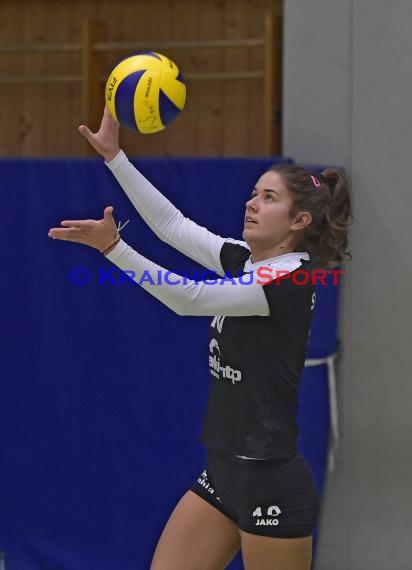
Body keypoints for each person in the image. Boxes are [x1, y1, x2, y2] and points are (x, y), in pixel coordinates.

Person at [48, 108, 352, 570]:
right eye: (254, 193)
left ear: (298, 221)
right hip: (223, 472)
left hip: (271, 481)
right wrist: (115, 158)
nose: (251, 203)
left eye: (268, 198)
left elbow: (187, 298)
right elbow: (172, 226)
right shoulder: (246, 261)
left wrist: (114, 248)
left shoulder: (289, 280)